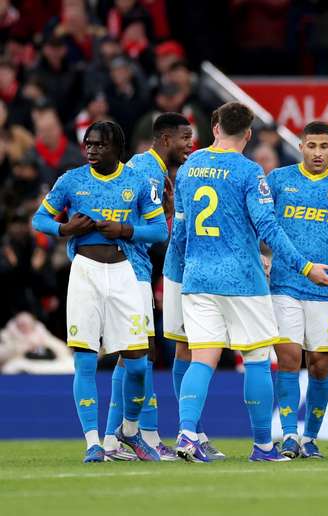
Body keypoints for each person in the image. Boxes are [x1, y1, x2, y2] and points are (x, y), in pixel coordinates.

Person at [172, 102, 328, 463]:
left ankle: (186, 433)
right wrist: (305, 266)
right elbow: (269, 228)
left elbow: (180, 231)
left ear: (215, 128)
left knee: (203, 359)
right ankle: (263, 445)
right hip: (242, 279)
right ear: (247, 134)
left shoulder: (188, 169)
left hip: (196, 277)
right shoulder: (249, 172)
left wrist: (176, 276)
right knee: (258, 358)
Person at [31, 120, 168, 463]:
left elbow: (158, 230)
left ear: (117, 149)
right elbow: (39, 220)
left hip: (124, 272)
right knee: (85, 361)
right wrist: (64, 228)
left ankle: (130, 431)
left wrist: (124, 229)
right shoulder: (71, 180)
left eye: (99, 145)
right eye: (88, 144)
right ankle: (93, 442)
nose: (91, 150)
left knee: (138, 364)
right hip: (85, 274)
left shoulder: (136, 181)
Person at [269, 121, 328, 459]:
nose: (318, 153)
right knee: (289, 358)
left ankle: (310, 437)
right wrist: (260, 258)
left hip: (325, 288)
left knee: (320, 366)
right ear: (300, 146)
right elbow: (261, 224)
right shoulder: (279, 180)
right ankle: (289, 435)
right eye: (311, 146)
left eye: (324, 147)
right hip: (285, 284)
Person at [101, 113, 192, 462]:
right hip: (131, 270)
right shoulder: (147, 170)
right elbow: (124, 220)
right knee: (143, 353)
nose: (190, 145)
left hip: (133, 267)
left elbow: (140, 219)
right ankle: (146, 435)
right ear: (165, 139)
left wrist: (165, 212)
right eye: (185, 138)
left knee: (130, 357)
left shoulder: (147, 168)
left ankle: (112, 441)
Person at [163, 109, 224, 461]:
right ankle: (190, 432)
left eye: (192, 138)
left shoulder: (191, 168)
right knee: (188, 349)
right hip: (185, 269)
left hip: (191, 269)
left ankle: (192, 431)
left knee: (191, 349)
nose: (190, 145)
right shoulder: (162, 169)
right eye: (185, 139)